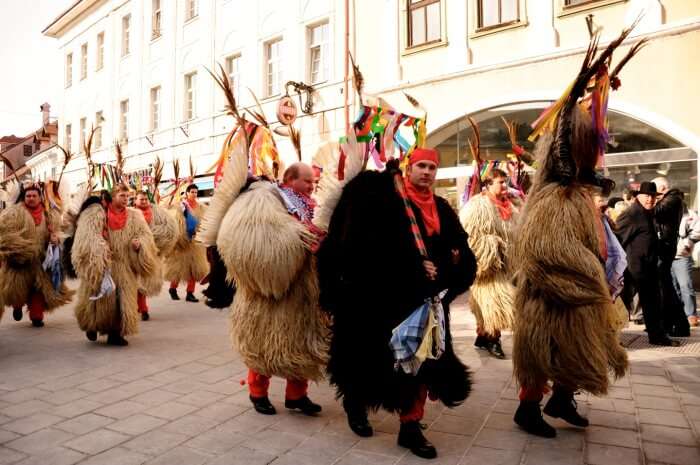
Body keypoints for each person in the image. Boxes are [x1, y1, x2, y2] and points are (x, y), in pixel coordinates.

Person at [511, 29, 636, 439]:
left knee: (580, 347)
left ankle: (562, 398)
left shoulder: (579, 200)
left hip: (577, 296)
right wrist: (587, 278)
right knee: (541, 351)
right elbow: (548, 252)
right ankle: (528, 410)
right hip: (550, 297)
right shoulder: (553, 201)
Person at [318, 148, 477, 459]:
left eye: (433, 167)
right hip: (379, 302)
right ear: (409, 167)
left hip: (425, 304)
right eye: (421, 166)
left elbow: (461, 253)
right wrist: (412, 267)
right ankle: (356, 405)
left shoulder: (443, 208)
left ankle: (410, 427)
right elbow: (367, 251)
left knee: (419, 364)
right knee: (366, 359)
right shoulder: (386, 203)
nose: (427, 172)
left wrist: (442, 269)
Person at [205, 161, 328, 416]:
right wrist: (301, 236)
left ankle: (297, 395)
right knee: (262, 344)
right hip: (266, 295)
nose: (311, 186)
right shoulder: (264, 199)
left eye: (313, 181)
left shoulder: (307, 204)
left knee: (301, 345)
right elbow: (260, 240)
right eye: (307, 181)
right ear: (289, 178)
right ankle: (257, 393)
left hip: (301, 292)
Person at [72, 184, 160, 345]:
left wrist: (139, 244)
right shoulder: (98, 214)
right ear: (112, 197)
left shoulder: (135, 215)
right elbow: (86, 235)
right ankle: (92, 326)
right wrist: (99, 249)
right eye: (122, 196)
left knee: (121, 300)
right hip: (102, 265)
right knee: (96, 299)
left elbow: (145, 235)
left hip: (124, 266)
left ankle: (116, 333)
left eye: (128, 196)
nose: (126, 199)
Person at [459, 168, 517, 359]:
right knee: (496, 303)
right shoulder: (477, 206)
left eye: (505, 182)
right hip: (487, 266)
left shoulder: (510, 206)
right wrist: (490, 247)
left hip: (505, 265)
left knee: (490, 305)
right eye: (500, 182)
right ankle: (493, 339)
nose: (504, 186)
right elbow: (470, 235)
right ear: (488, 185)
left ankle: (482, 337)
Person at [0, 183, 73, 326]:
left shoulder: (49, 214)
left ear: (40, 197)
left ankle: (36, 316)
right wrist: (16, 249)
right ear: (24, 197)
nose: (31, 198)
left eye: (34, 196)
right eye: (28, 196)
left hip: (41, 261)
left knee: (38, 289)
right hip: (21, 261)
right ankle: (17, 306)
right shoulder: (14, 213)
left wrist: (55, 239)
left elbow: (59, 232)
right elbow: (5, 233)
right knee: (17, 291)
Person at [617, 182, 677, 346]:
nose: (650, 199)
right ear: (638, 196)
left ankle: (657, 336)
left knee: (652, 302)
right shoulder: (632, 214)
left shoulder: (648, 213)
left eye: (653, 196)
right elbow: (617, 239)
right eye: (647, 196)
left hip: (647, 266)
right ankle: (611, 340)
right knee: (621, 303)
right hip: (632, 268)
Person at [653, 177, 691, 337]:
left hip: (666, 247)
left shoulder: (672, 199)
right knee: (666, 288)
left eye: (654, 191)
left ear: (662, 188)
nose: (652, 196)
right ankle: (670, 324)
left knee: (667, 288)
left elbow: (656, 211)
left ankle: (680, 325)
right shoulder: (671, 199)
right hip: (666, 246)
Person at [134, 190, 178, 321]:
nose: (144, 201)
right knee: (136, 283)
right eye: (141, 199)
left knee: (144, 282)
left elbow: (168, 229)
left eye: (146, 199)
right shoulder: (131, 214)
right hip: (134, 253)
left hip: (153, 253)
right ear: (135, 201)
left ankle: (142, 308)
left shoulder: (157, 212)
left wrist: (151, 239)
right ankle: (141, 308)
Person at [164, 184, 208, 303]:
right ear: (187, 193)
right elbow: (172, 217)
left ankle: (190, 293)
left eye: (196, 192)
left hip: (195, 244)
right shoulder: (180, 206)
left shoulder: (202, 207)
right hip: (182, 243)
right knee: (178, 269)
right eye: (192, 192)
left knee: (194, 269)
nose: (194, 194)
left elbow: (206, 222)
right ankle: (173, 289)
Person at [672, 209, 700, 327]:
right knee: (672, 287)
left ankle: (691, 314)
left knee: (685, 285)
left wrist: (687, 244)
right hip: (665, 256)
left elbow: (698, 230)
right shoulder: (659, 210)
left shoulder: (689, 214)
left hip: (681, 256)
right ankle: (677, 314)